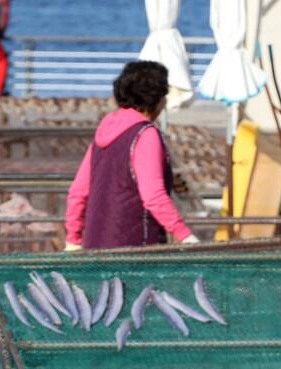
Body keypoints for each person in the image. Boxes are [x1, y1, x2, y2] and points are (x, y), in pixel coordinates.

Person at [64, 61, 196, 251]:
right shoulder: (145, 133)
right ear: (158, 99)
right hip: (136, 247)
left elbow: (78, 192)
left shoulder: (105, 128)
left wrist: (73, 239)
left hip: (96, 246)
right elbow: (153, 196)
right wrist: (185, 235)